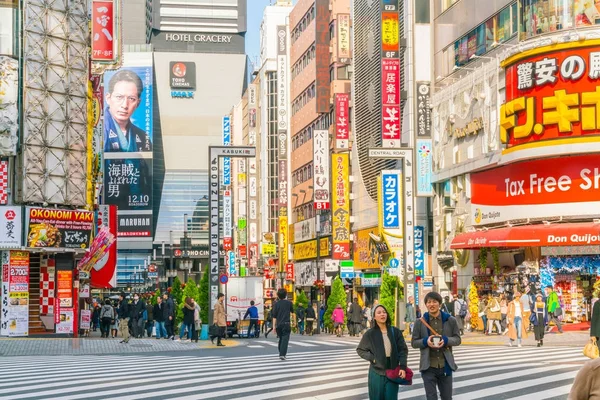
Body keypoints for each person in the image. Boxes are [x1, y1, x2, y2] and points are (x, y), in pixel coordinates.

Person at [412, 291, 461, 400]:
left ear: (439, 303)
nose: (431, 304)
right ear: (426, 304)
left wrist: (446, 340)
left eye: (434, 301)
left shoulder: (450, 320)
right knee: (431, 397)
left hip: (445, 365)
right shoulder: (420, 322)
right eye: (429, 302)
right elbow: (414, 342)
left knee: (447, 397)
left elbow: (457, 339)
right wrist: (425, 341)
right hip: (428, 366)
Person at [357, 304, 409, 400]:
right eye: (379, 313)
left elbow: (403, 350)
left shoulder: (395, 331)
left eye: (384, 312)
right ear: (374, 317)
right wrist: (373, 358)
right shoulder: (370, 334)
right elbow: (360, 350)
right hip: (376, 372)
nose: (382, 314)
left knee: (391, 397)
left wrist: (402, 366)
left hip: (392, 370)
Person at [104, 69, 152, 152]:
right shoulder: (99, 130)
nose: (125, 105)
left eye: (131, 99)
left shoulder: (143, 137)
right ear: (108, 98)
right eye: (119, 97)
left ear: (138, 103)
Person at [271, 288, 295, 360]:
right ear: (286, 295)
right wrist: (294, 322)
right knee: (285, 339)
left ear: (278, 295)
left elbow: (274, 316)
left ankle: (281, 352)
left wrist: (274, 327)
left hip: (279, 324)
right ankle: (282, 354)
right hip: (286, 323)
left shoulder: (276, 304)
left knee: (281, 338)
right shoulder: (289, 303)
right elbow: (293, 313)